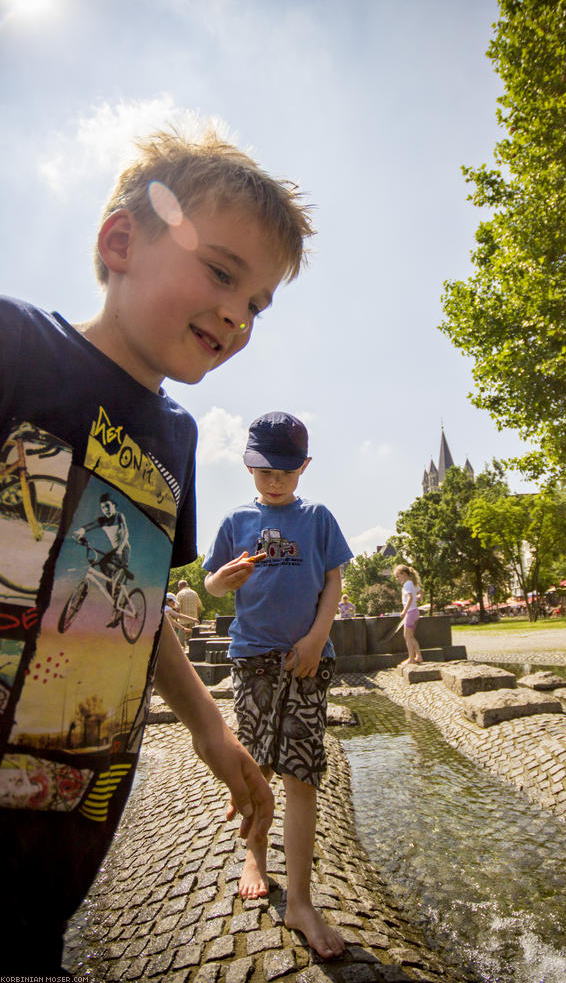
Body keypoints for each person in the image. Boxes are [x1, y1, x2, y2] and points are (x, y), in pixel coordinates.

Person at [0, 124, 315, 974]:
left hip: (70, 820)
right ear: (119, 242)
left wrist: (210, 726)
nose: (236, 315)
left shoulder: (175, 439)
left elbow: (131, 608)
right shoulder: (16, 345)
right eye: (220, 272)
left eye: (255, 303)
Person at [203, 412, 352, 960]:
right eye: (264, 470)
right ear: (248, 464)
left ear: (303, 467)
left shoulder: (317, 517)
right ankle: (254, 858)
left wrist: (317, 638)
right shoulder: (236, 518)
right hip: (252, 659)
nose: (275, 481)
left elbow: (334, 579)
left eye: (286, 471)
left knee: (302, 775)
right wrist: (223, 579)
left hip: (309, 660)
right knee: (257, 765)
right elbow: (212, 583)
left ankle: (302, 901)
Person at [73, 492, 132, 628]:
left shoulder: (119, 516)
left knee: (113, 580)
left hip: (123, 550)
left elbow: (126, 534)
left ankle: (117, 610)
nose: (105, 509)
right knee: (106, 579)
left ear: (114, 506)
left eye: (107, 506)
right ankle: (118, 603)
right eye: (102, 507)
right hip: (113, 553)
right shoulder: (103, 521)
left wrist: (118, 550)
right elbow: (89, 526)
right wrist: (80, 531)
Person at [393, 564, 424, 665]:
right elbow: (421, 593)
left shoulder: (407, 584)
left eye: (398, 576)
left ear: (404, 574)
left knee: (407, 636)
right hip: (415, 612)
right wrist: (418, 597)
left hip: (410, 613)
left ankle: (411, 659)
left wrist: (404, 611)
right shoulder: (413, 583)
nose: (397, 579)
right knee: (410, 636)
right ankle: (418, 656)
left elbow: (410, 598)